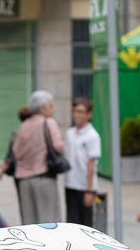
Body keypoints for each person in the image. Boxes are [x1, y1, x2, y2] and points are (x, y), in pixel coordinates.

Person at [9, 90, 64, 225]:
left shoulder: (24, 126)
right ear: (43, 108)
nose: (53, 109)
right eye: (51, 106)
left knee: (30, 224)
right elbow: (58, 147)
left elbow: (16, 152)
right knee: (49, 223)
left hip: (24, 182)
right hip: (44, 179)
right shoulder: (48, 123)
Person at [62, 97, 102, 226]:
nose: (76, 115)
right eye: (75, 111)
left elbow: (91, 163)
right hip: (70, 184)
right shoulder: (69, 133)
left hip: (85, 187)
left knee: (85, 224)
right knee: (71, 222)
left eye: (80, 111)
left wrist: (89, 190)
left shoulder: (92, 135)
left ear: (89, 114)